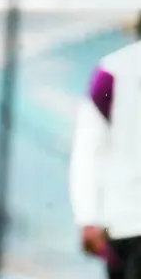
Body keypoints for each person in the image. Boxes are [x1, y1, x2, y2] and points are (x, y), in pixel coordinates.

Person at [69, 14, 141, 279]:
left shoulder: (113, 71)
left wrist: (88, 216)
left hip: (126, 222)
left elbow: (88, 151)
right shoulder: (112, 74)